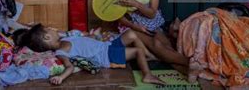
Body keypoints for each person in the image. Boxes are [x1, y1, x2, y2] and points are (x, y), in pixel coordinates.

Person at [13, 24, 164, 86]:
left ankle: (149, 56)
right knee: (137, 51)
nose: (53, 29)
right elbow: (69, 67)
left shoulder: (65, 37)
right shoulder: (61, 52)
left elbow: (83, 40)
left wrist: (95, 37)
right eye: (49, 29)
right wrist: (60, 77)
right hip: (107, 56)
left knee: (131, 34)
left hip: (107, 46)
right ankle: (147, 74)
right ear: (47, 38)